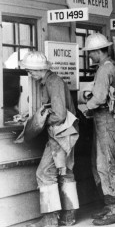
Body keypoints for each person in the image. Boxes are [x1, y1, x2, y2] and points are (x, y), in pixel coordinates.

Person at [21, 52, 79, 227]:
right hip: (68, 133)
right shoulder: (52, 81)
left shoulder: (53, 82)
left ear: (39, 70)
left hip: (60, 134)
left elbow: (59, 115)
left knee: (44, 173)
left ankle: (50, 220)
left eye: (30, 71)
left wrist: (39, 120)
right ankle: (69, 218)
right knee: (65, 172)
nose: (29, 74)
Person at [80, 33, 115, 226]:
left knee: (107, 163)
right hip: (105, 119)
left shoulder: (105, 69)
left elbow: (99, 98)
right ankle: (109, 203)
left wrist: (85, 106)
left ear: (98, 51)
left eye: (91, 53)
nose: (89, 56)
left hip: (106, 118)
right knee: (102, 163)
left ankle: (114, 209)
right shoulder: (110, 66)